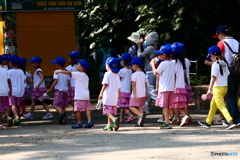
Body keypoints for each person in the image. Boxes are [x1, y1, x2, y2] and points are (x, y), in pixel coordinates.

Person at [198, 46, 236, 130]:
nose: (210, 58)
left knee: (221, 106)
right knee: (213, 105)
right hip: (224, 87)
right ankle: (208, 122)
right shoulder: (224, 63)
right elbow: (227, 74)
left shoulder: (215, 65)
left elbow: (213, 77)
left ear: (213, 55)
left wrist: (209, 89)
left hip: (217, 88)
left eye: (210, 56)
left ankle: (230, 121)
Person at [213, 25, 240, 126]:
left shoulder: (222, 43)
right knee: (234, 95)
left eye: (218, 35)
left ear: (220, 34)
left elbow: (217, 57)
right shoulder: (237, 42)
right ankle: (229, 118)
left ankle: (236, 119)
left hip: (228, 72)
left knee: (230, 96)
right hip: (237, 71)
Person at [55, 59, 94, 129]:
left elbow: (69, 73)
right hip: (86, 95)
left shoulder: (78, 74)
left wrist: (59, 72)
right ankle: (89, 121)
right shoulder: (86, 75)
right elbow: (87, 87)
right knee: (87, 109)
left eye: (78, 65)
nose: (77, 66)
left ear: (82, 67)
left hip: (79, 96)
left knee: (77, 110)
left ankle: (79, 122)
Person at [154, 44, 175, 129]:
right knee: (169, 105)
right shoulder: (173, 63)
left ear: (164, 55)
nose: (159, 55)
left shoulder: (163, 64)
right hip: (171, 87)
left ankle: (167, 121)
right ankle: (172, 118)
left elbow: (155, 73)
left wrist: (152, 64)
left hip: (164, 88)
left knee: (164, 106)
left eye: (160, 54)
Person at [137, 32, 159, 113]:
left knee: (151, 90)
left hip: (150, 71)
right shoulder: (155, 48)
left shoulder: (150, 48)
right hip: (153, 71)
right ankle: (147, 108)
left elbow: (140, 56)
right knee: (149, 90)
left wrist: (139, 47)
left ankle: (160, 101)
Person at [98, 57, 121, 131]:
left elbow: (105, 85)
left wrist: (101, 93)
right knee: (111, 111)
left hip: (107, 96)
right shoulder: (117, 75)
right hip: (114, 97)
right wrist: (119, 95)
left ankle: (114, 119)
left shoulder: (107, 74)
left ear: (108, 65)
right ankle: (109, 125)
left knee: (107, 111)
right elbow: (119, 87)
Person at [171, 42, 190, 127]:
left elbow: (174, 76)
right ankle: (187, 115)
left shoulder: (173, 62)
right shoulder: (186, 61)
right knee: (184, 102)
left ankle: (178, 118)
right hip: (185, 84)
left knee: (176, 103)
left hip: (176, 85)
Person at [47, 57, 71, 124]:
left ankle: (61, 114)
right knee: (63, 106)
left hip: (58, 90)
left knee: (55, 105)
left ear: (58, 65)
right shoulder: (67, 72)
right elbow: (69, 83)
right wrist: (70, 91)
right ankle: (63, 120)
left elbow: (55, 81)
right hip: (65, 91)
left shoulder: (56, 72)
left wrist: (50, 89)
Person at [128, 57, 147, 127]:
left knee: (131, 106)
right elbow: (146, 85)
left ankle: (141, 115)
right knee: (140, 107)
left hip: (136, 94)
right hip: (142, 93)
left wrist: (135, 94)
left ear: (136, 65)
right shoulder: (143, 74)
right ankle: (140, 122)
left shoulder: (134, 75)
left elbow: (133, 85)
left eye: (132, 65)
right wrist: (146, 93)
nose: (132, 67)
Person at [116, 53, 134, 123]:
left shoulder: (121, 71)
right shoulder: (130, 70)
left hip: (122, 90)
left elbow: (118, 79)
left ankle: (130, 115)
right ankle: (121, 118)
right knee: (124, 105)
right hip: (128, 90)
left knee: (122, 105)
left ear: (123, 62)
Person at [8, 55, 25, 125]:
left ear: (11, 63)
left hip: (12, 90)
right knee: (18, 105)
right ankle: (17, 117)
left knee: (13, 104)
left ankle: (16, 116)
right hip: (20, 91)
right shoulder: (21, 71)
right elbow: (24, 79)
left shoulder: (9, 72)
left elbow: (8, 80)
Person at [66, 51, 81, 120]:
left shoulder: (68, 68)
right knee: (76, 100)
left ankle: (77, 111)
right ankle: (75, 112)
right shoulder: (80, 67)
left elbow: (68, 79)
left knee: (71, 101)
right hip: (79, 86)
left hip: (72, 86)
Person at [0, 56, 12, 128]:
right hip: (5, 91)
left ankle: (0, 124)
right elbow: (8, 80)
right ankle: (8, 117)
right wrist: (9, 89)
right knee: (4, 106)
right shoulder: (5, 70)